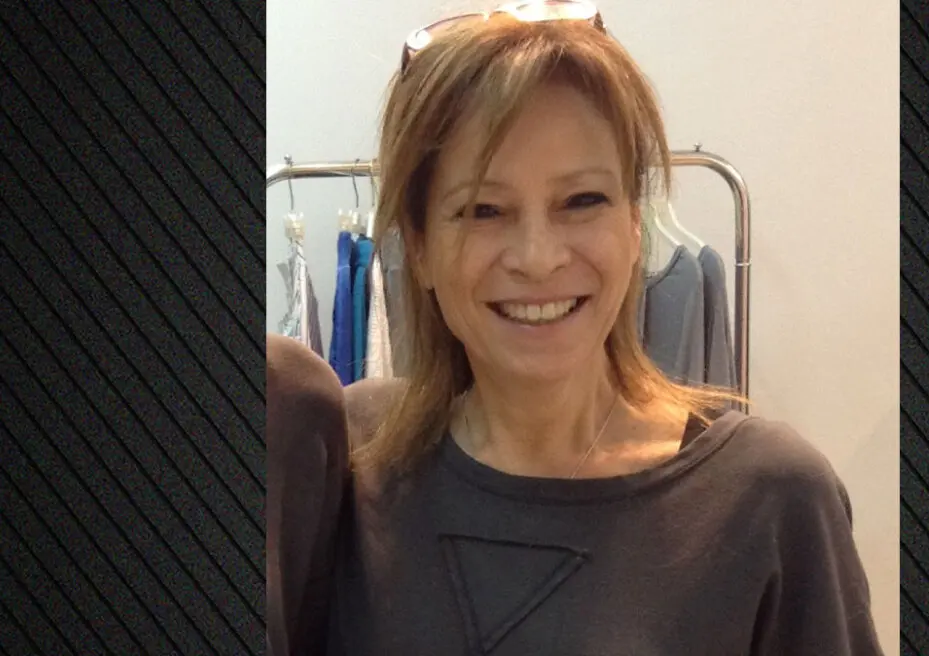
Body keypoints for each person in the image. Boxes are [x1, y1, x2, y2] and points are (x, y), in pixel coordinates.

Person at [267, 2, 884, 654]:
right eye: (483, 210)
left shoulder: (769, 499)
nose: (538, 257)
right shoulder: (341, 460)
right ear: (418, 247)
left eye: (582, 201)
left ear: (634, 224)